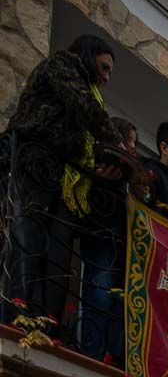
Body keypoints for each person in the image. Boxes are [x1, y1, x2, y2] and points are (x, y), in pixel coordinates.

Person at [2, 35, 122, 327]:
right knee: (28, 239)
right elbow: (85, 108)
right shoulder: (62, 64)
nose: (105, 77)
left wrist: (96, 170)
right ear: (88, 55)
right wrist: (119, 145)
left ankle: (44, 318)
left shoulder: (86, 85)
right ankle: (18, 313)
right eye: (104, 68)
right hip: (33, 161)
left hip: (54, 170)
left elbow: (79, 139)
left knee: (51, 252)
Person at [79, 116, 147, 366]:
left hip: (121, 240)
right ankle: (93, 351)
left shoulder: (128, 178)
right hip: (103, 234)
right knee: (100, 291)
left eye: (134, 144)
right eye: (129, 141)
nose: (132, 148)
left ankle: (114, 354)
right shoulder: (101, 162)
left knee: (120, 298)